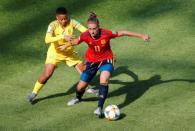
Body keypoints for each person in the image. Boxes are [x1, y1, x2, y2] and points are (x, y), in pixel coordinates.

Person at [58, 12, 150, 117]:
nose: (92, 31)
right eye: (90, 29)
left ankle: (99, 107)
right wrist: (66, 45)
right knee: (80, 87)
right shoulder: (85, 35)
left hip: (106, 60)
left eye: (94, 28)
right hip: (91, 62)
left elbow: (123, 32)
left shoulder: (106, 33)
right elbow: (76, 41)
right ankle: (78, 98)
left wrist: (142, 35)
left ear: (98, 26)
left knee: (104, 80)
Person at [27, 7, 88, 103]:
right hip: (55, 53)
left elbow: (85, 31)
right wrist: (63, 36)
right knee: (48, 73)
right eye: (62, 19)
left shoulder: (73, 22)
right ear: (57, 18)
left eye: (66, 18)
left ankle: (87, 87)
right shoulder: (52, 25)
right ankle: (34, 93)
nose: (64, 21)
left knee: (85, 71)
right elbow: (47, 40)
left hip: (69, 52)